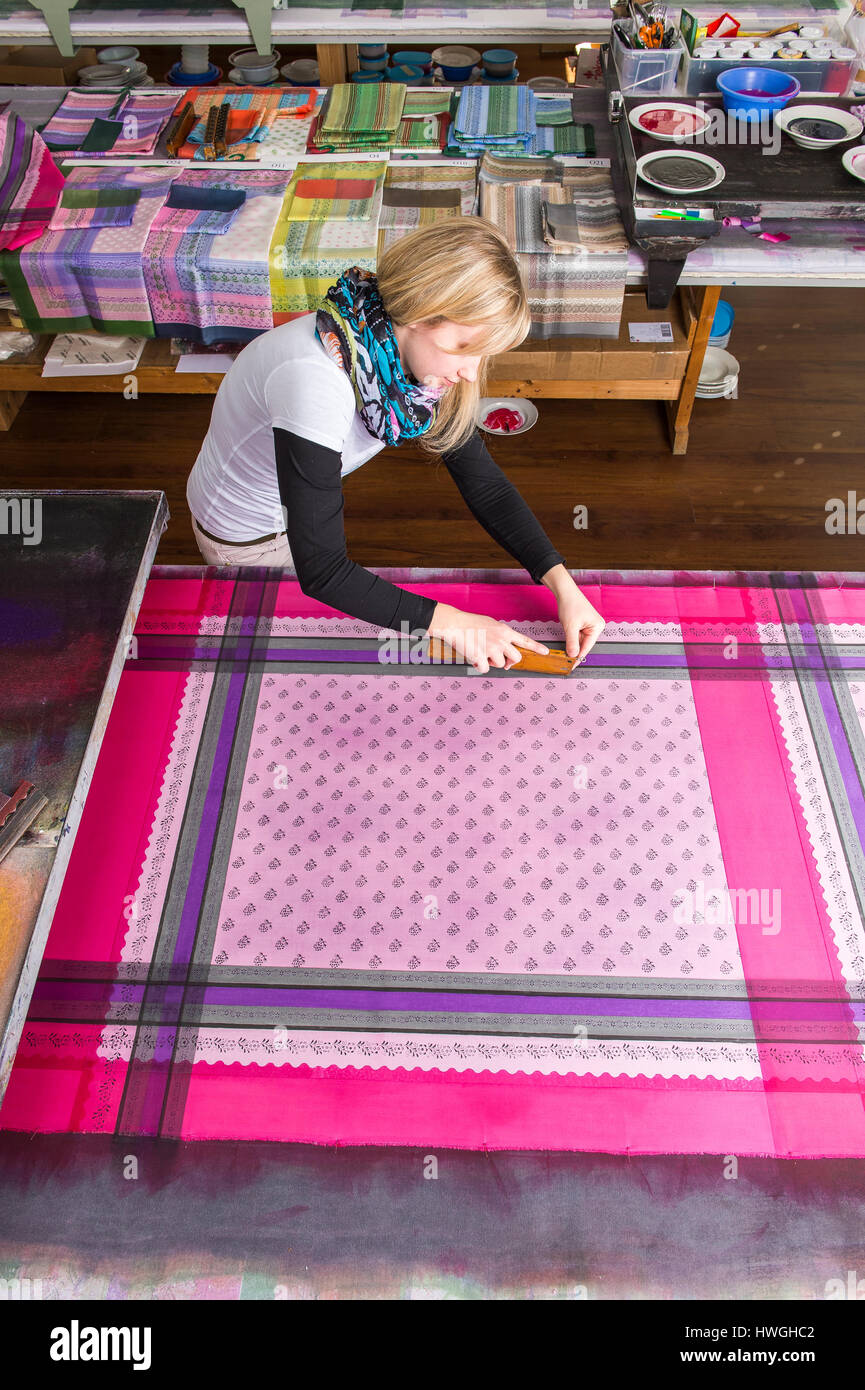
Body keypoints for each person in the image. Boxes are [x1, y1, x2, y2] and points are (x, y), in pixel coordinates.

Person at [187, 216, 605, 673]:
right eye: (464, 345)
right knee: (305, 665)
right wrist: (456, 624)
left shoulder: (396, 352)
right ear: (419, 313)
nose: (470, 372)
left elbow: (485, 485)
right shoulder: (314, 381)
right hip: (248, 536)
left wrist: (564, 587)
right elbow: (323, 571)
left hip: (295, 512)